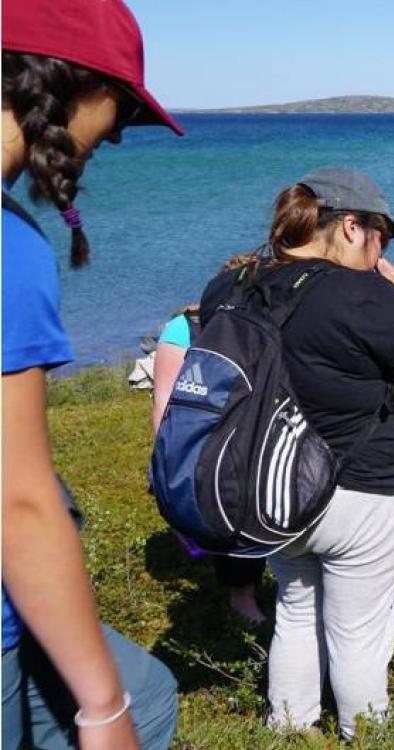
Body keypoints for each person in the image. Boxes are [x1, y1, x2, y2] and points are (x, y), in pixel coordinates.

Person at [198, 169, 394, 739]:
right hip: (360, 494)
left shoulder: (232, 285)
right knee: (358, 631)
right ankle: (365, 734)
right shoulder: (360, 293)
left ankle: (289, 728)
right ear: (348, 227)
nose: (380, 249)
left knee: (294, 608)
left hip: (273, 491)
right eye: (380, 237)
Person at [2, 1, 182, 747]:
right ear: (71, 84)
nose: (115, 132)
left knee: (150, 690)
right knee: (134, 701)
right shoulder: (11, 252)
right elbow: (17, 500)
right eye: (122, 105)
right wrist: (100, 708)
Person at [150, 298, 267, 626]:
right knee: (221, 513)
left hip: (248, 436)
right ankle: (240, 596)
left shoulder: (260, 320)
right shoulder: (184, 328)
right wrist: (166, 457)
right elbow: (164, 400)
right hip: (198, 437)